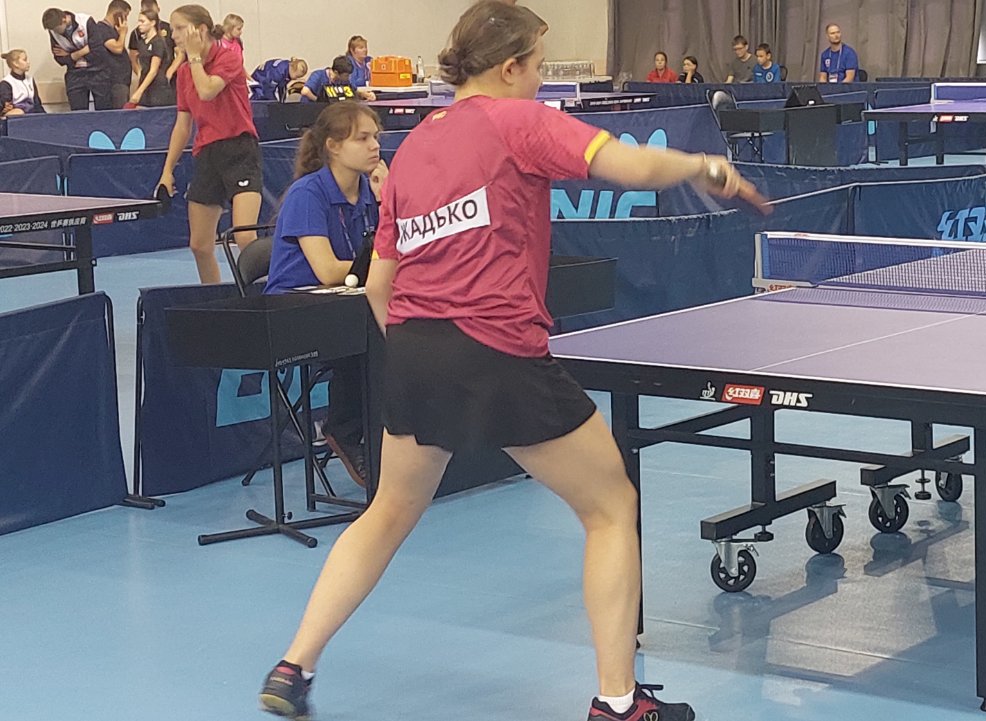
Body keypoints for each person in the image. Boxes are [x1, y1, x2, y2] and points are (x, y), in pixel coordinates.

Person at [255, 4, 760, 721]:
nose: (541, 81)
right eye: (539, 67)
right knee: (611, 506)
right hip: (498, 347)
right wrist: (707, 166)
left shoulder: (412, 149)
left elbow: (379, 285)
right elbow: (634, 166)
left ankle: (293, 666)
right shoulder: (519, 121)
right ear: (511, 66)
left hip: (414, 348)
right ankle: (619, 703)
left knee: (386, 513)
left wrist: (421, 359)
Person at [263, 101, 385, 486]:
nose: (375, 145)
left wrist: (388, 200)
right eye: (362, 138)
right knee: (369, 336)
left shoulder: (369, 193)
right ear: (333, 146)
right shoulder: (307, 194)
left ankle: (392, 437)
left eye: (376, 136)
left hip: (346, 303)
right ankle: (345, 431)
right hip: (293, 310)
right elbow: (329, 271)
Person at [155, 4, 262, 285]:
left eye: (179, 28)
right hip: (207, 154)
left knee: (244, 236)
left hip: (240, 150)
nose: (173, 35)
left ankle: (266, 296)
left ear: (200, 30)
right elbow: (183, 125)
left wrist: (193, 58)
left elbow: (207, 90)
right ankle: (213, 299)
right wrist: (167, 170)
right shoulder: (184, 73)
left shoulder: (229, 58)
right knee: (200, 245)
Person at [43, 8, 111, 111]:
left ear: (64, 20)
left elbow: (98, 51)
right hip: (75, 74)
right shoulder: (53, 31)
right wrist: (83, 51)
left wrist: (70, 55)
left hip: (97, 71)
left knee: (104, 111)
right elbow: (60, 59)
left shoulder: (86, 21)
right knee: (78, 113)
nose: (55, 32)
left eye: (56, 29)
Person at [91, 1, 134, 109]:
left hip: (121, 80)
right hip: (113, 81)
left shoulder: (113, 30)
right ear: (117, 15)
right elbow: (117, 48)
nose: (125, 20)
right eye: (125, 16)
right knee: (119, 114)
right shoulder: (101, 29)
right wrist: (123, 33)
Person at [129, 9, 175, 106]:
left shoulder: (158, 42)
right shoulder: (141, 43)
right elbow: (142, 67)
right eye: (139, 21)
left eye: (142, 21)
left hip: (157, 87)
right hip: (145, 85)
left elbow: (153, 70)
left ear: (152, 23)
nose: (139, 24)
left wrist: (139, 91)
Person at [302, 57, 376, 102]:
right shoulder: (318, 75)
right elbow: (305, 91)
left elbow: (354, 91)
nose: (348, 78)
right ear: (336, 73)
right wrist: (318, 101)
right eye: (346, 75)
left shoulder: (344, 81)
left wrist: (366, 95)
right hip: (310, 109)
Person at [1, 50, 46, 115]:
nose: (28, 62)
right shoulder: (7, 83)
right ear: (15, 63)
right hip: (17, 115)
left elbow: (37, 103)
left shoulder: (30, 79)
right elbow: (5, 106)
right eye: (25, 60)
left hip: (32, 112)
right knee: (19, 112)